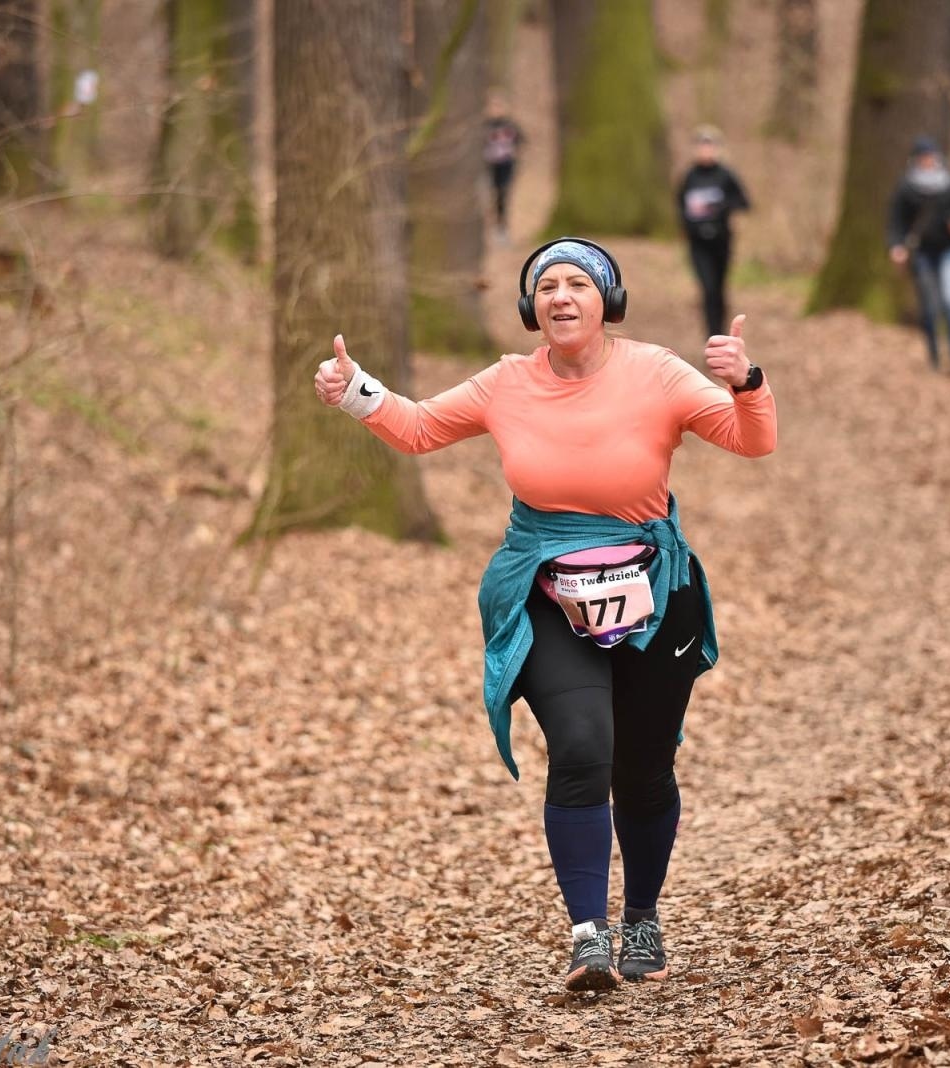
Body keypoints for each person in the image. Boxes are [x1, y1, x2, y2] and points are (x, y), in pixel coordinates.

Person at [313, 238, 776, 993]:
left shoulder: (658, 372)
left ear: (607, 301)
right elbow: (420, 427)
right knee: (583, 746)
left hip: (655, 590)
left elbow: (752, 441)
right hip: (548, 592)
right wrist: (354, 390)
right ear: (531, 308)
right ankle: (589, 935)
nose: (561, 296)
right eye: (547, 286)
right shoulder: (507, 382)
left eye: (577, 284)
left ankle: (642, 918)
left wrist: (748, 383)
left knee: (644, 768)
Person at [886, 135, 950, 374]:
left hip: (949, 251)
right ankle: (934, 358)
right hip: (922, 253)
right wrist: (896, 246)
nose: (928, 162)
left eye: (931, 157)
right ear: (916, 160)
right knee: (930, 308)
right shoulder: (906, 187)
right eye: (924, 158)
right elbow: (896, 221)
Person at [676, 126, 750, 339]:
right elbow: (679, 205)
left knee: (718, 288)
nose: (705, 151)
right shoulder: (690, 176)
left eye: (709, 146)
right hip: (698, 243)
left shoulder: (725, 175)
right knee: (707, 288)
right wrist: (689, 222)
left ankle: (721, 331)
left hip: (721, 241)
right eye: (702, 146)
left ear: (717, 149)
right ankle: (711, 335)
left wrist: (720, 206)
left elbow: (744, 202)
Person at [482, 92, 525, 245]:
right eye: (493, 105)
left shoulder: (510, 125)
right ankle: (486, 231)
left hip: (506, 165)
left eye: (499, 105)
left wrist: (514, 152)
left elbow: (522, 140)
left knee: (502, 196)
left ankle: (501, 229)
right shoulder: (484, 126)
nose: (496, 109)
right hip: (488, 167)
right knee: (486, 197)